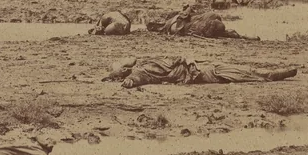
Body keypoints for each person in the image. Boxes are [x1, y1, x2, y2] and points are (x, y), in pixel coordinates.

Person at [103, 56, 297, 89]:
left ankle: (277, 74)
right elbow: (137, 79)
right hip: (205, 74)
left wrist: (191, 66)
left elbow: (182, 58)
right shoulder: (142, 71)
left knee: (246, 73)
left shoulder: (146, 64)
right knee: (246, 74)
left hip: (205, 71)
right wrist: (129, 82)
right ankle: (276, 74)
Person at [147, 1, 254, 39]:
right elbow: (182, 22)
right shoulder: (169, 26)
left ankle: (236, 34)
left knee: (214, 15)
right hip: (191, 26)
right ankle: (240, 35)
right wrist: (187, 11)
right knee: (216, 23)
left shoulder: (170, 19)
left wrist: (187, 11)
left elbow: (185, 16)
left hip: (191, 22)